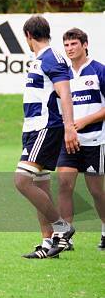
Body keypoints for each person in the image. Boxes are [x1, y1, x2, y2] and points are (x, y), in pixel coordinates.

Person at [15, 15, 79, 259]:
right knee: (40, 184)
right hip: (32, 129)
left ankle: (62, 228)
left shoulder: (52, 58)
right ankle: (47, 243)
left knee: (21, 181)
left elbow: (65, 93)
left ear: (29, 37)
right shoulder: (38, 60)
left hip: (46, 127)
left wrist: (69, 126)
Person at [55, 28, 104, 250]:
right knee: (64, 185)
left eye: (73, 44)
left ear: (85, 44)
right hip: (69, 141)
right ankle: (66, 237)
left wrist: (85, 121)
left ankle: (104, 231)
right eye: (66, 45)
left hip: (95, 141)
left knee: (95, 190)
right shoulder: (62, 74)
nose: (69, 49)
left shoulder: (99, 71)